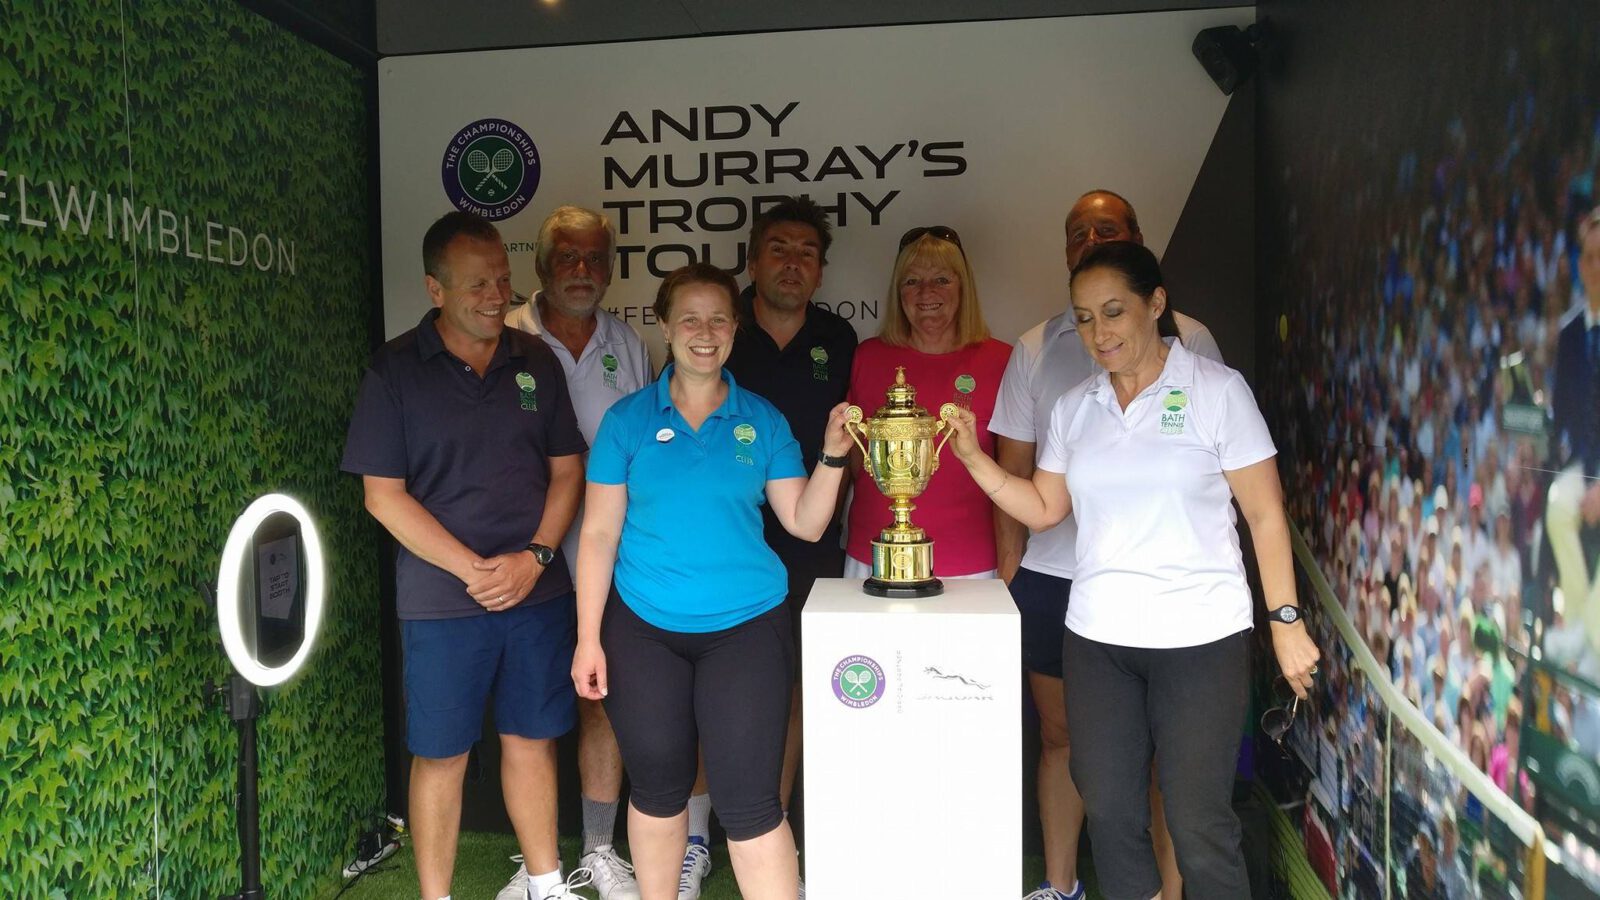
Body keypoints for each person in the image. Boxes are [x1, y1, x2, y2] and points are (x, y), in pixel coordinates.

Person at [945, 241, 1320, 900]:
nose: (1099, 332)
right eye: (1085, 318)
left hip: (1200, 639)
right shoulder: (1075, 409)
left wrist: (1286, 622)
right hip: (1097, 640)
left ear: (1156, 304)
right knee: (1113, 814)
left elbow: (1265, 515)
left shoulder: (1216, 392)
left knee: (1198, 822)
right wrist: (977, 460)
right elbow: (1043, 508)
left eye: (1114, 312)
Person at [571, 263, 853, 900]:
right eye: (690, 318)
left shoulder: (765, 421)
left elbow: (805, 524)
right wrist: (589, 639)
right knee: (660, 790)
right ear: (665, 326)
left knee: (752, 805)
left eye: (719, 319)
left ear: (736, 329)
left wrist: (834, 453)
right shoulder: (628, 420)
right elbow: (597, 535)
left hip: (747, 628)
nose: (705, 332)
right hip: (644, 629)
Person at [342, 211, 590, 900]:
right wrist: (474, 569)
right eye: (477, 283)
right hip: (443, 600)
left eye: (502, 280)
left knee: (531, 739)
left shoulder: (534, 358)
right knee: (442, 754)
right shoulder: (393, 370)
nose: (494, 295)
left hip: (536, 592)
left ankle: (545, 885)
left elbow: (568, 469)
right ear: (434, 289)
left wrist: (535, 557)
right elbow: (382, 497)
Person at [992, 189, 1225, 900]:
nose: (1090, 238)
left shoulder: (1196, 341)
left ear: (1136, 243)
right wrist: (1008, 580)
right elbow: (1014, 470)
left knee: (1163, 762)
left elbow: (1224, 475)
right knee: (1066, 745)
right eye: (1077, 232)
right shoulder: (1036, 347)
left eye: (1107, 228)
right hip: (1058, 581)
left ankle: (1171, 890)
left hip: (1166, 592)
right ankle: (1061, 886)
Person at [502, 206, 650, 900]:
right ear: (542, 265)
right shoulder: (505, 334)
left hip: (607, 554)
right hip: (519, 548)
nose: (583, 271)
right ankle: (535, 859)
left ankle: (598, 849)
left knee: (600, 695)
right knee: (528, 704)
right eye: (569, 258)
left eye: (596, 258)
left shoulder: (628, 342)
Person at [723, 196, 857, 896]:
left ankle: (770, 833)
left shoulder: (839, 341)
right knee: (714, 688)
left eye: (807, 251)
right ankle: (695, 833)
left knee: (798, 692)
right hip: (728, 545)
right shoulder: (721, 328)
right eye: (779, 247)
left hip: (811, 548)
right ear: (752, 259)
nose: (793, 261)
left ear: (821, 269)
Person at [844, 225, 1010, 581]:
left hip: (971, 563)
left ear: (963, 286)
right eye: (911, 281)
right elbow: (858, 460)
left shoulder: (1001, 360)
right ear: (897, 291)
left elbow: (1013, 475)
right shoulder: (868, 357)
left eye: (941, 280)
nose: (926, 293)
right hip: (875, 555)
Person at [1547, 206, 1600, 660]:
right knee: (1556, 505)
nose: (1595, 265)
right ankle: (1585, 627)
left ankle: (1593, 636)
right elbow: (1561, 415)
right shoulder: (1568, 333)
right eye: (1589, 256)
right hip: (1584, 464)